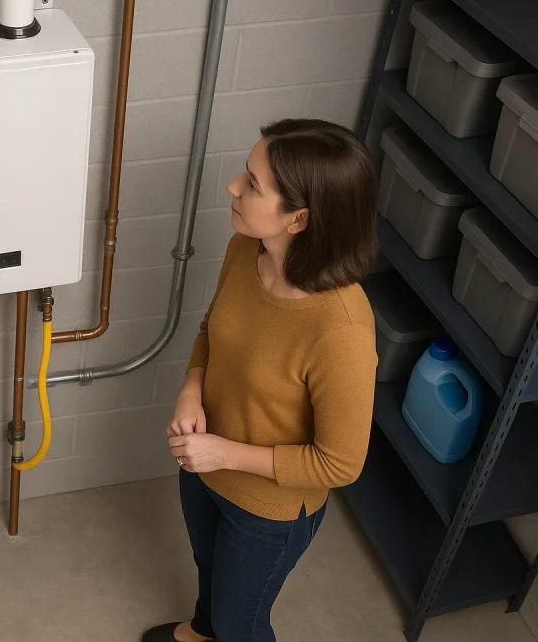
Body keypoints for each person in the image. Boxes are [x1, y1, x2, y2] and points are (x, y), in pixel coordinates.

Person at [143, 119, 379, 642]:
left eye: (252, 183)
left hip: (267, 509)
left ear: (298, 219)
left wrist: (222, 454)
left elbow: (340, 463)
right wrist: (190, 390)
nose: (233, 186)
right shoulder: (247, 250)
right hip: (202, 465)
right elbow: (211, 330)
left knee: (241, 622)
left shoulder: (341, 328)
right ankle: (203, 632)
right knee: (211, 575)